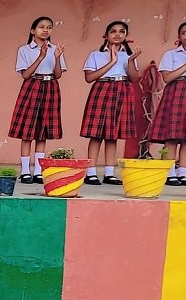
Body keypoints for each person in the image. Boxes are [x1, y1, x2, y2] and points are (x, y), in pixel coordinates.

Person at [80, 21, 142, 185]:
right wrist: (112, 62)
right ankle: (91, 172)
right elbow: (89, 78)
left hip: (122, 90)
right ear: (106, 35)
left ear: (125, 36)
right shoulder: (96, 54)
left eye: (122, 31)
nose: (117, 34)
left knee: (112, 135)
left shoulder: (128, 56)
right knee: (96, 134)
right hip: (102, 89)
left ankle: (109, 173)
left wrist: (130, 61)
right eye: (113, 31)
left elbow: (134, 78)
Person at [7, 16, 67, 184]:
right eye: (41, 27)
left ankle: (39, 171)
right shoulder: (25, 50)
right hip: (32, 86)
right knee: (27, 132)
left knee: (43, 132)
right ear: (33, 30)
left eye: (49, 27)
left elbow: (58, 75)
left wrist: (56, 57)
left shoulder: (56, 49)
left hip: (50, 87)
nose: (45, 30)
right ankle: (25, 171)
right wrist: (40, 57)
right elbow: (25, 75)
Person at [149, 20, 186, 186]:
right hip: (176, 90)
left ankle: (183, 173)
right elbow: (167, 78)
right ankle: (169, 172)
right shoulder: (171, 54)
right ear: (179, 36)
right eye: (184, 32)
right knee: (171, 136)